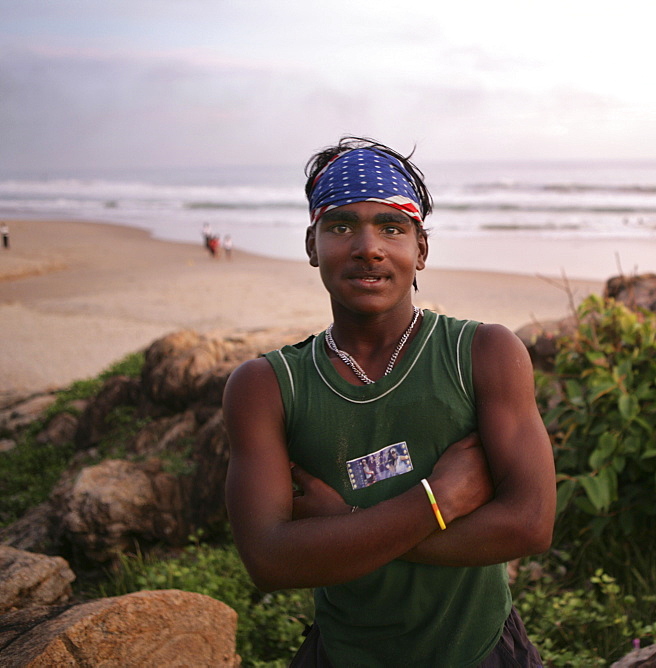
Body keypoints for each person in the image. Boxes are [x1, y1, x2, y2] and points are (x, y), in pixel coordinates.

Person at [223, 136, 555, 666]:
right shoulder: (266, 386)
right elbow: (269, 560)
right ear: (312, 246)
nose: (368, 247)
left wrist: (345, 523)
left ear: (420, 249)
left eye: (391, 227)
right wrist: (437, 501)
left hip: (481, 651)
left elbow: (531, 524)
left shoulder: (485, 353)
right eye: (341, 226)